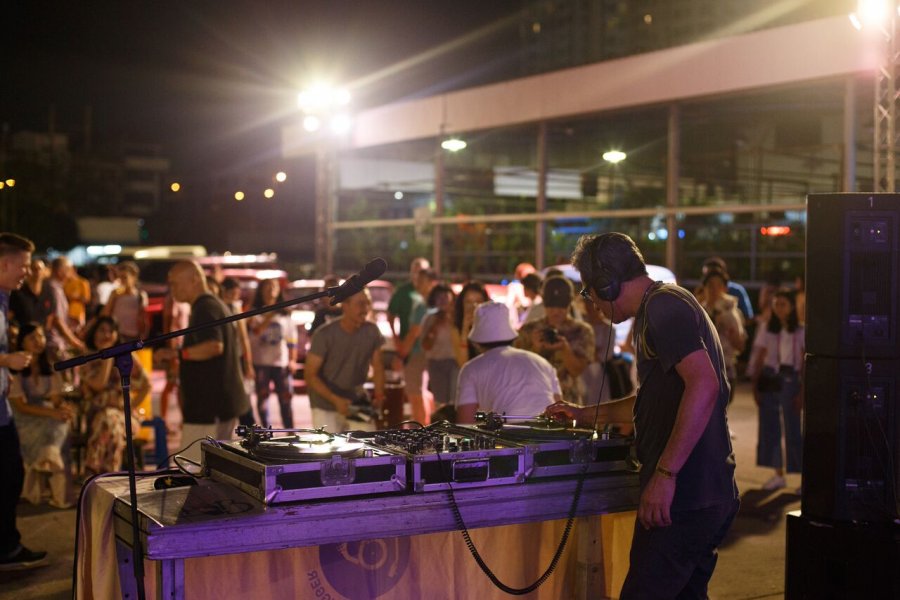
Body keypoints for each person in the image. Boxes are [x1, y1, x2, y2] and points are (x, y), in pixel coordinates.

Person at [547, 232, 738, 599]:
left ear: (607, 283)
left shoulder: (663, 308)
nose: (592, 303)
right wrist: (584, 414)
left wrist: (665, 475)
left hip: (687, 495)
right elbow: (653, 400)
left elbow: (704, 385)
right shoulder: (664, 305)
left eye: (589, 291)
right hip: (701, 492)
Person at [159, 261, 249, 463]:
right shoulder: (209, 304)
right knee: (205, 467)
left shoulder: (206, 307)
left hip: (210, 409)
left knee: (194, 466)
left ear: (194, 280)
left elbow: (214, 346)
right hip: (213, 407)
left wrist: (178, 354)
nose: (172, 289)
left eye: (175, 283)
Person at [0, 232, 49, 571]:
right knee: (9, 474)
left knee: (11, 474)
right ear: (5, 264)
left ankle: (7, 545)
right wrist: (8, 361)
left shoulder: (6, 299)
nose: (27, 273)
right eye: (24, 266)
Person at [456, 302, 561, 424]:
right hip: (550, 431)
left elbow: (466, 423)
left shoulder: (471, 369)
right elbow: (560, 408)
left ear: (476, 343)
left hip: (509, 433)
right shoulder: (542, 363)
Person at [8, 323, 74, 508]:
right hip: (23, 418)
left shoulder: (49, 367)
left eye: (40, 336)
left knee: (60, 422)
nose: (38, 341)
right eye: (32, 338)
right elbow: (21, 406)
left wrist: (62, 408)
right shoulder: (15, 368)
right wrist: (53, 412)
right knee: (52, 426)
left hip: (45, 413)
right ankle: (50, 460)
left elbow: (55, 399)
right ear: (22, 342)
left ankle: (50, 459)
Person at [305, 289, 386, 433]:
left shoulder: (372, 331)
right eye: (360, 304)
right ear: (345, 305)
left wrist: (379, 396)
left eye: (367, 303)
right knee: (328, 445)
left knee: (368, 441)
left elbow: (378, 367)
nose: (365, 308)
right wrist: (336, 400)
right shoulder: (324, 334)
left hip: (356, 400)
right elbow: (310, 375)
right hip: (325, 403)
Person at [748, 288, 804, 491]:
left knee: (793, 428)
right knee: (770, 427)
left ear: (791, 307)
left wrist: (802, 392)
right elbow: (759, 355)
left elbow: (804, 361)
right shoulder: (767, 328)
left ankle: (802, 478)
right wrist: (755, 385)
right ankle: (778, 474)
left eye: (783, 304)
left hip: (790, 377)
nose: (779, 309)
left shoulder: (800, 331)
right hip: (770, 376)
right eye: (776, 305)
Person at [80, 316, 151, 474]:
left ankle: (94, 471)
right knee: (107, 422)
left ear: (116, 334)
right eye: (102, 330)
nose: (106, 335)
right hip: (96, 413)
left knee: (109, 422)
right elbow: (99, 385)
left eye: (110, 331)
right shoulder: (87, 359)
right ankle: (110, 473)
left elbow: (146, 385)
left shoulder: (125, 356)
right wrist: (107, 359)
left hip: (123, 415)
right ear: (94, 333)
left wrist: (129, 407)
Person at [515, 276, 594, 405]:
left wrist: (565, 349)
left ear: (569, 304)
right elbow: (517, 370)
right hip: (533, 401)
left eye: (561, 307)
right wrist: (535, 349)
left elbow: (576, 371)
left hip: (568, 401)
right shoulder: (528, 330)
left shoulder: (582, 331)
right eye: (551, 307)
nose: (556, 312)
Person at [248, 278, 297, 429]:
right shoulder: (254, 313)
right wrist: (269, 316)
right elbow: (255, 333)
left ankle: (290, 431)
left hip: (281, 363)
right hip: (261, 362)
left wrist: (292, 360)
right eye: (267, 287)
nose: (270, 291)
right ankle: (266, 431)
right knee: (262, 400)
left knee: (286, 399)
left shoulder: (284, 314)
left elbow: (292, 339)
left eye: (274, 287)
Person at [699, 269, 746, 405]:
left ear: (724, 288)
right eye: (710, 285)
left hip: (725, 369)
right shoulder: (699, 311)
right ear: (704, 288)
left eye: (718, 285)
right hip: (703, 372)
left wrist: (726, 327)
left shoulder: (731, 312)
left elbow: (740, 345)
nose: (714, 289)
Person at [397, 268, 437, 424]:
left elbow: (414, 332)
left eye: (421, 281)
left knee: (415, 395)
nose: (417, 284)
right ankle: (429, 425)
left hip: (418, 354)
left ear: (431, 283)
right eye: (416, 281)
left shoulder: (422, 306)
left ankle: (421, 428)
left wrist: (401, 355)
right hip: (431, 354)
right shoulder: (435, 305)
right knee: (425, 393)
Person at [420, 284, 458, 411]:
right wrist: (435, 326)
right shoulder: (429, 319)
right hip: (436, 363)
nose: (443, 300)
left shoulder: (457, 318)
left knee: (455, 400)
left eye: (445, 296)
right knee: (440, 402)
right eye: (439, 297)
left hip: (455, 363)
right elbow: (425, 345)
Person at [101, 261, 148, 342]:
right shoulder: (115, 294)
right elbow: (105, 315)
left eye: (124, 277)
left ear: (134, 277)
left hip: (134, 335)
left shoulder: (140, 295)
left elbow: (143, 318)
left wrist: (143, 335)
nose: (121, 281)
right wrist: (112, 298)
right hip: (117, 335)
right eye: (120, 277)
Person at [452, 281, 490, 365]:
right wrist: (465, 330)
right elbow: (463, 363)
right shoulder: (457, 330)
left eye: (478, 302)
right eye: (468, 302)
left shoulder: (493, 326)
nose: (473, 306)